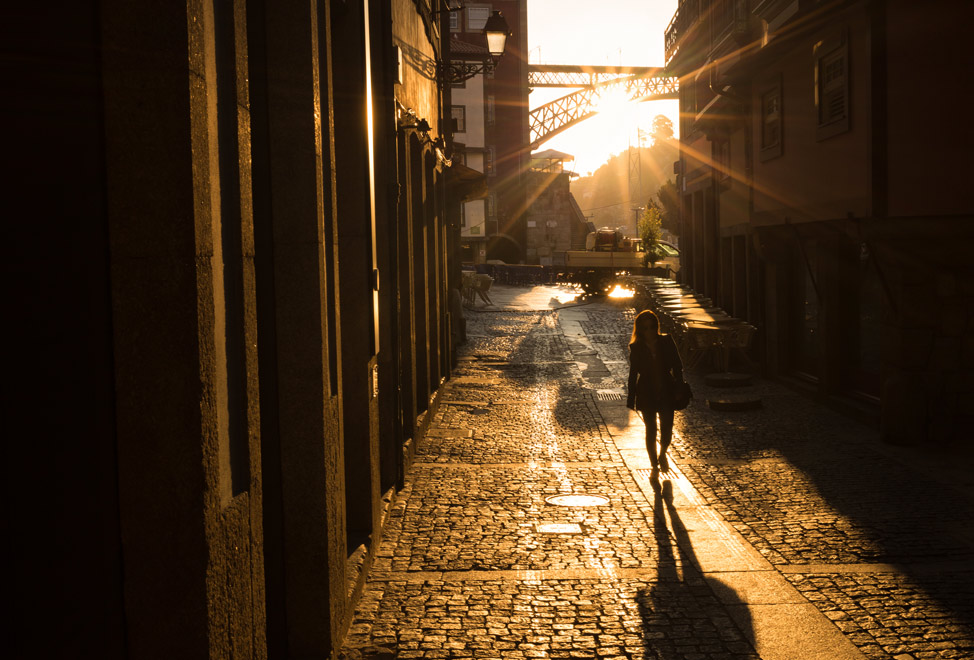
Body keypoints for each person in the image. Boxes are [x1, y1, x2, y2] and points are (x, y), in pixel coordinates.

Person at [626, 310, 684, 473]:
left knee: (666, 429)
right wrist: (631, 397)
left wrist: (679, 387)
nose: (650, 331)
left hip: (666, 388)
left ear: (656, 327)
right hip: (646, 390)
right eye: (645, 328)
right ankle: (654, 463)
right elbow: (633, 373)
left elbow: (677, 366)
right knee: (650, 430)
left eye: (652, 327)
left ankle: (663, 453)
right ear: (640, 330)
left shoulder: (666, 342)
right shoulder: (636, 347)